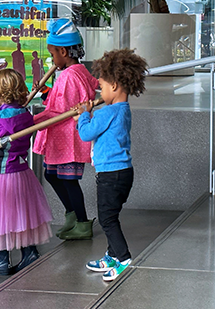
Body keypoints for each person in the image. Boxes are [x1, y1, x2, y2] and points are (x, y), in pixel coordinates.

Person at [0, 69, 53, 275]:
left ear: (0, 94)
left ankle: (1, 260)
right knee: (20, 215)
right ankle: (29, 252)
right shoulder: (24, 114)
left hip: (0, 176)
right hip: (22, 173)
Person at [76, 49, 148, 282]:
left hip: (111, 175)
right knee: (111, 215)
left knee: (107, 218)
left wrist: (84, 115)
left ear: (115, 86)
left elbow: (87, 134)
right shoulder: (122, 110)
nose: (101, 92)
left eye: (102, 87)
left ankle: (124, 258)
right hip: (122, 174)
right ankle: (111, 255)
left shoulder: (108, 112)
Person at [33, 19, 98, 240]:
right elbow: (59, 101)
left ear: (63, 51)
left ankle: (82, 221)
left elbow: (59, 112)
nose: (52, 60)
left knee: (68, 180)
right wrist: (45, 93)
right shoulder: (73, 71)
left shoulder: (70, 75)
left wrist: (29, 120)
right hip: (61, 139)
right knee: (51, 175)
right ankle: (71, 214)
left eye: (52, 54)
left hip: (68, 139)